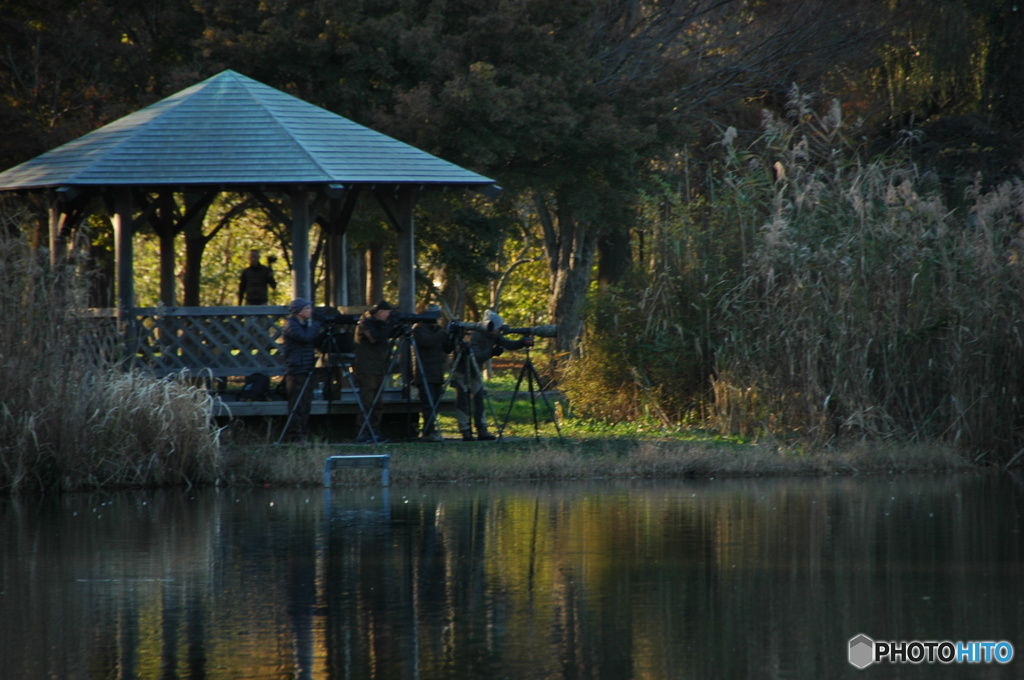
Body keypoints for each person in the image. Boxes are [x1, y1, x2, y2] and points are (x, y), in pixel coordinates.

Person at [449, 309, 533, 441]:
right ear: (490, 326)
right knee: (463, 401)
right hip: (462, 370)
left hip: (475, 372)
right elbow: (474, 356)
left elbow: (507, 343)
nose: (498, 331)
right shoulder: (475, 335)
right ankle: (465, 430)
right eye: (497, 328)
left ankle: (482, 430)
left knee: (479, 400)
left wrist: (521, 343)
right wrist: (492, 352)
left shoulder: (493, 334)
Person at [353, 300, 396, 443]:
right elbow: (376, 339)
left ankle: (374, 431)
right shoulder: (366, 323)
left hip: (378, 367)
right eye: (388, 313)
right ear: (380, 312)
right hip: (366, 368)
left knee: (378, 403)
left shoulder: (380, 324)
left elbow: (385, 335)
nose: (389, 316)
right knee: (367, 401)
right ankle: (363, 432)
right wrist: (390, 324)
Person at [282, 297, 321, 441]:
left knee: (305, 404)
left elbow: (310, 339)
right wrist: (317, 324)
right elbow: (305, 338)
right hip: (296, 370)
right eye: (307, 309)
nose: (310, 311)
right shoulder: (291, 325)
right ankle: (294, 436)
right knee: (297, 404)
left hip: (305, 368)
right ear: (299, 311)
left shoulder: (302, 325)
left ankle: (302, 434)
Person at [412, 304, 452, 442]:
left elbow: (448, 349)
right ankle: (428, 432)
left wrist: (453, 336)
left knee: (434, 405)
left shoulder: (438, 330)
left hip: (437, 373)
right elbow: (427, 342)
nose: (438, 319)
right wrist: (441, 333)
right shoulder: (419, 329)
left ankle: (431, 430)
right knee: (427, 405)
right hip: (424, 373)